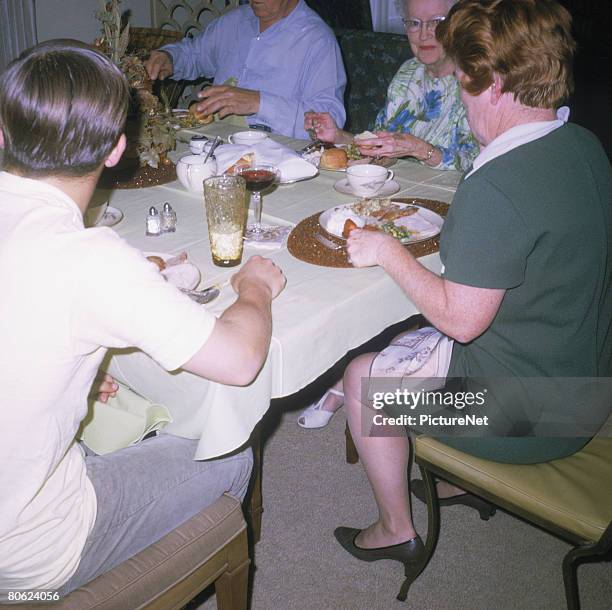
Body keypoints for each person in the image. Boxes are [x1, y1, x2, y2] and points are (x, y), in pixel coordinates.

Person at [315, 0, 611, 570]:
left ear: (495, 84)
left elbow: (459, 318)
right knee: (416, 352)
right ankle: (456, 482)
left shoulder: (495, 183)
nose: (464, 98)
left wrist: (387, 250)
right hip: (590, 385)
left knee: (362, 378)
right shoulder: (585, 146)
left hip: (533, 419)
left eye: (466, 84)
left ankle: (395, 529)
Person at [0, 40, 286, 598]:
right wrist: (254, 289)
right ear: (115, 150)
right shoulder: (88, 259)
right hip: (26, 550)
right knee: (229, 452)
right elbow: (240, 360)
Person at [302, 0, 478, 173]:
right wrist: (338, 136)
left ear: (459, 24)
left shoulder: (480, 80)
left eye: (436, 22)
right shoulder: (409, 72)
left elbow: (480, 163)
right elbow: (381, 144)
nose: (424, 34)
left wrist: (421, 150)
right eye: (414, 23)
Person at [144, 0, 346, 140]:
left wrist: (259, 103)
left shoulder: (318, 40)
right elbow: (195, 54)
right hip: (214, 143)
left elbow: (331, 119)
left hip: (277, 156)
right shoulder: (235, 21)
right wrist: (171, 58)